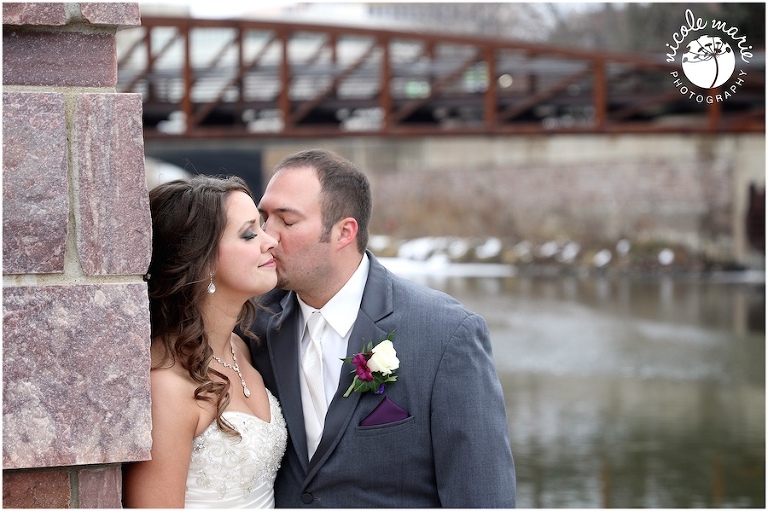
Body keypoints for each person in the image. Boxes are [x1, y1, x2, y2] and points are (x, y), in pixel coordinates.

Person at [250, 149, 516, 507]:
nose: (267, 236)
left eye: (287, 221)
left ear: (344, 232)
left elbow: (482, 497)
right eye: (263, 218)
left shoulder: (446, 334)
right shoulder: (251, 324)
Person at [123, 175, 287, 508]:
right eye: (249, 233)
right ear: (204, 260)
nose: (270, 241)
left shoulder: (240, 348)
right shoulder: (167, 386)